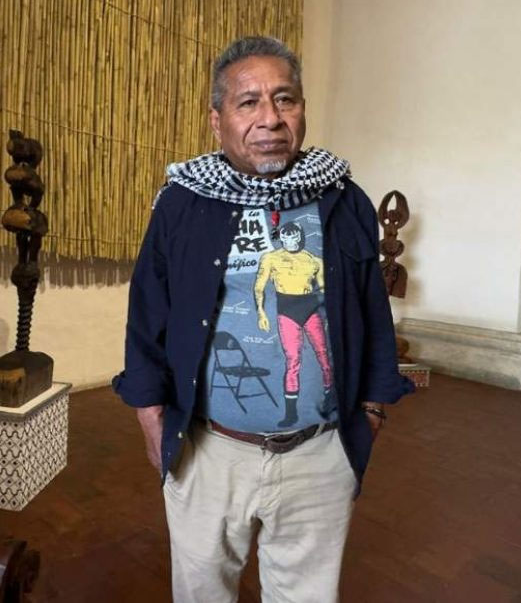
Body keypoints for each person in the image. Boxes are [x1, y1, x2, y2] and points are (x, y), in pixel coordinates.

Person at [112, 36, 414, 602]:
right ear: (217, 120)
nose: (270, 118)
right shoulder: (182, 203)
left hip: (321, 453)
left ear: (302, 109)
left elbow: (373, 312)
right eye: (248, 102)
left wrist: (372, 412)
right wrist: (152, 420)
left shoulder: (344, 200)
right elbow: (147, 316)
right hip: (209, 452)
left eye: (285, 99)